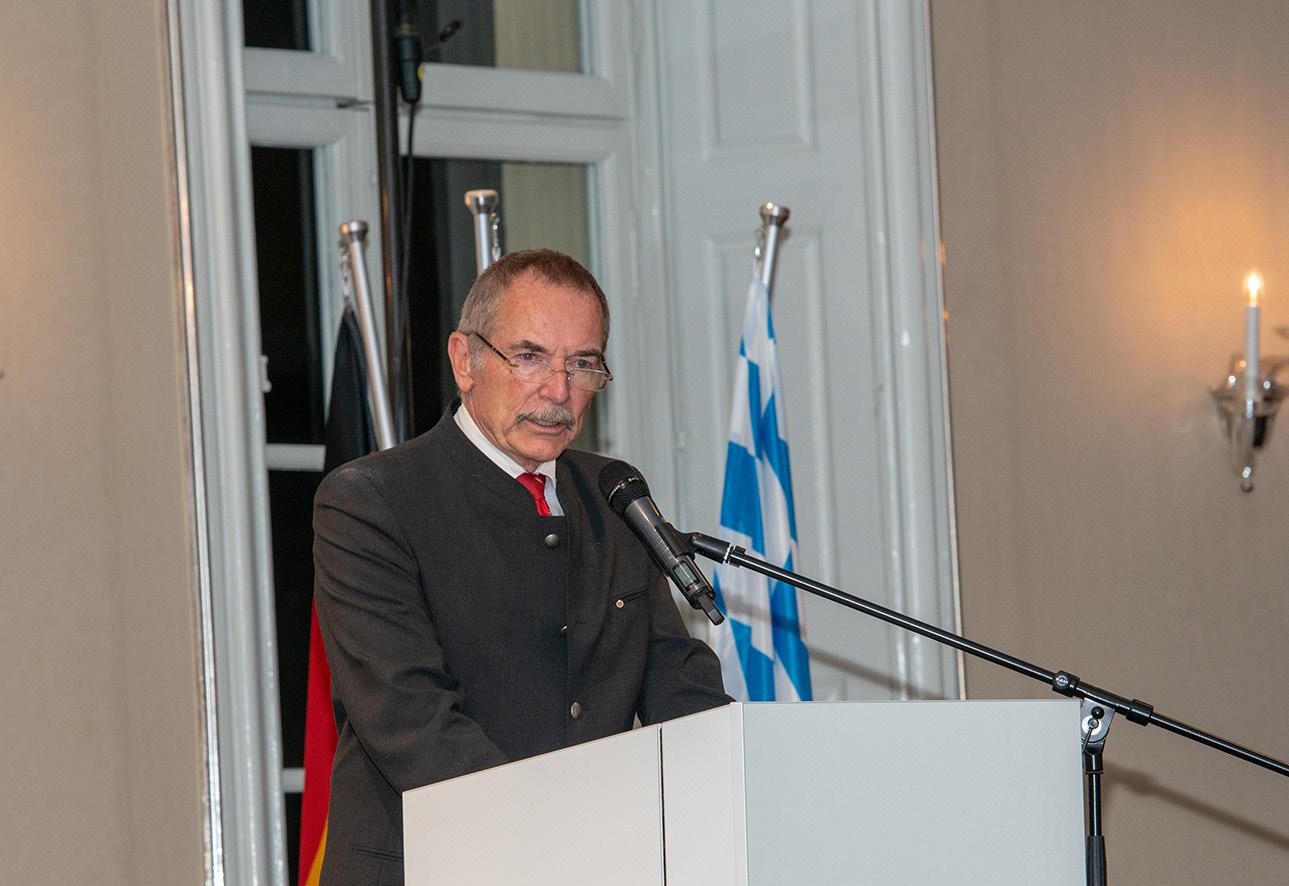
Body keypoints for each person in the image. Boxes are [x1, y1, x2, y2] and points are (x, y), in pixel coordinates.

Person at [312, 249, 731, 885]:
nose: (558, 391)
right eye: (530, 356)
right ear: (465, 360)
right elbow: (411, 720)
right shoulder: (373, 501)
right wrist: (566, 840)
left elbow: (676, 685)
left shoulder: (615, 496)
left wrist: (743, 775)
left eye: (582, 363)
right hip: (432, 864)